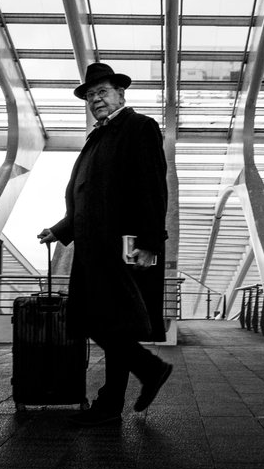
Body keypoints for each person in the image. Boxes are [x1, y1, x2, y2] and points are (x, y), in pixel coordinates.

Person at [39, 62, 172, 426]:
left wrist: (149, 242)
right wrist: (60, 229)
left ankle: (149, 370)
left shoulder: (138, 127)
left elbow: (152, 187)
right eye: (91, 95)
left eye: (102, 92)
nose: (96, 99)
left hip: (119, 247)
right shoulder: (99, 136)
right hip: (94, 246)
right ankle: (111, 402)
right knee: (114, 325)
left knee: (93, 319)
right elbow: (94, 198)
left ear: (120, 95)